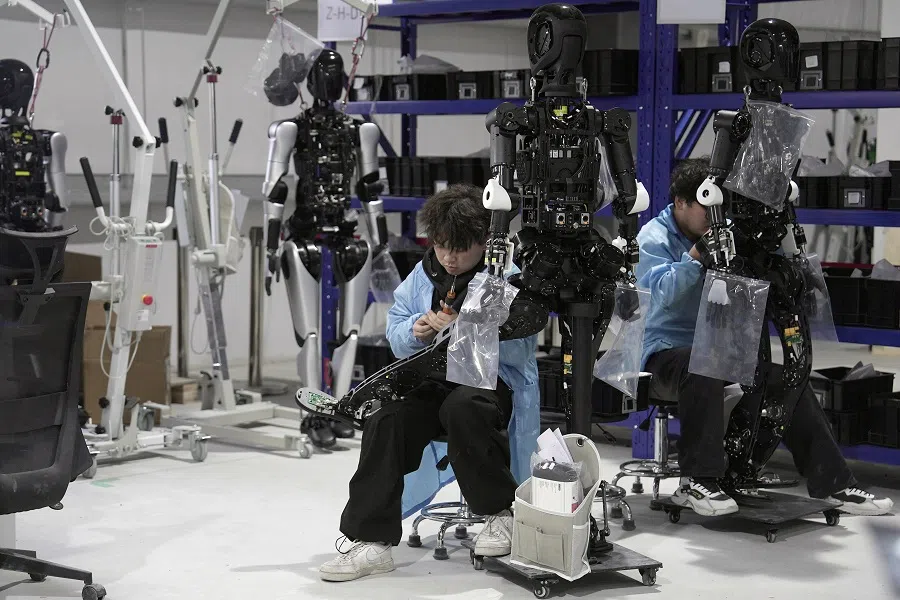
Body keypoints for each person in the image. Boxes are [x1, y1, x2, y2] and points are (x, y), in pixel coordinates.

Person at [636, 156, 893, 517]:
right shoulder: (654, 237)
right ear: (680, 202)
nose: (714, 221)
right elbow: (658, 295)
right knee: (704, 363)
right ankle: (697, 479)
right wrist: (696, 257)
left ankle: (834, 483)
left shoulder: (723, 231)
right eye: (705, 210)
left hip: (719, 349)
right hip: (665, 353)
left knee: (790, 380)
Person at [319, 183, 540, 582]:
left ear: (484, 242)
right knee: (387, 420)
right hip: (435, 382)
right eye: (441, 246)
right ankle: (371, 541)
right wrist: (416, 331)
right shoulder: (426, 271)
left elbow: (521, 339)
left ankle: (498, 514)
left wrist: (465, 327)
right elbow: (397, 327)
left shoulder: (505, 274)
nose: (450, 258)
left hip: (492, 384)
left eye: (460, 248)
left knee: (464, 407)